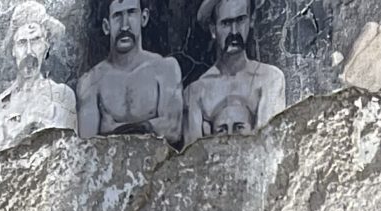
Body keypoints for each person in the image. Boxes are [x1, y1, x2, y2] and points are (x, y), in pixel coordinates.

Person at [77, 0, 184, 138]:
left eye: (132, 13)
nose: (125, 26)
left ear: (144, 18)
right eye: (117, 16)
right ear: (106, 26)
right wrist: (151, 126)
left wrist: (115, 129)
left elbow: (173, 130)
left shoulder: (165, 69)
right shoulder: (90, 82)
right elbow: (87, 145)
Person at [182, 0, 285, 142]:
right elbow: (193, 157)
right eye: (226, 23)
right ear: (213, 29)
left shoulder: (270, 79)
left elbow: (268, 145)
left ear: (251, 21)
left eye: (241, 20)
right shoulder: (196, 93)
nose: (234, 31)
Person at [0, 0, 78, 150]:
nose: (29, 52)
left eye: (36, 41)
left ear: (45, 46)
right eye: (22, 43)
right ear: (13, 50)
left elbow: (65, 150)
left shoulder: (62, 95)